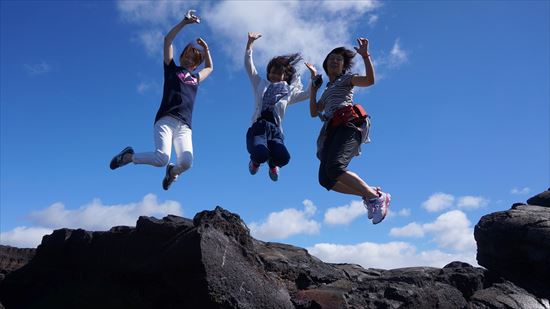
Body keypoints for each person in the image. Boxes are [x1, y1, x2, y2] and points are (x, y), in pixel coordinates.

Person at [109, 10, 213, 190]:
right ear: (181, 57)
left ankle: (172, 173)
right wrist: (184, 23)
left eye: (193, 59)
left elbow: (210, 68)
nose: (188, 59)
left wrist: (207, 50)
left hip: (184, 126)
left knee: (187, 162)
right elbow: (168, 41)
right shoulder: (171, 68)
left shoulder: (195, 79)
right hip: (165, 119)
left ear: (196, 65)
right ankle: (128, 157)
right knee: (161, 159)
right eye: (186, 56)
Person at [305, 38, 390, 224]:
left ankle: (375, 197)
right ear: (326, 65)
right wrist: (313, 87)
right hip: (331, 130)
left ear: (343, 65)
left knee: (335, 167)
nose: (335, 61)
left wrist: (365, 56)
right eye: (331, 59)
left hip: (348, 124)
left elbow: (369, 80)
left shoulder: (347, 79)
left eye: (339, 59)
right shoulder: (327, 89)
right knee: (325, 179)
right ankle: (370, 193)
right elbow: (313, 112)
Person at [244, 32, 311, 181]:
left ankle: (273, 164)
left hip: (275, 130)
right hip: (259, 126)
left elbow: (307, 95)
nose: (274, 76)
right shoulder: (260, 84)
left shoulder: (288, 92)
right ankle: (255, 162)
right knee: (260, 154)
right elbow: (249, 67)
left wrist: (313, 78)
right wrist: (250, 44)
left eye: (278, 73)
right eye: (272, 72)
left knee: (283, 158)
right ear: (268, 73)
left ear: (284, 76)